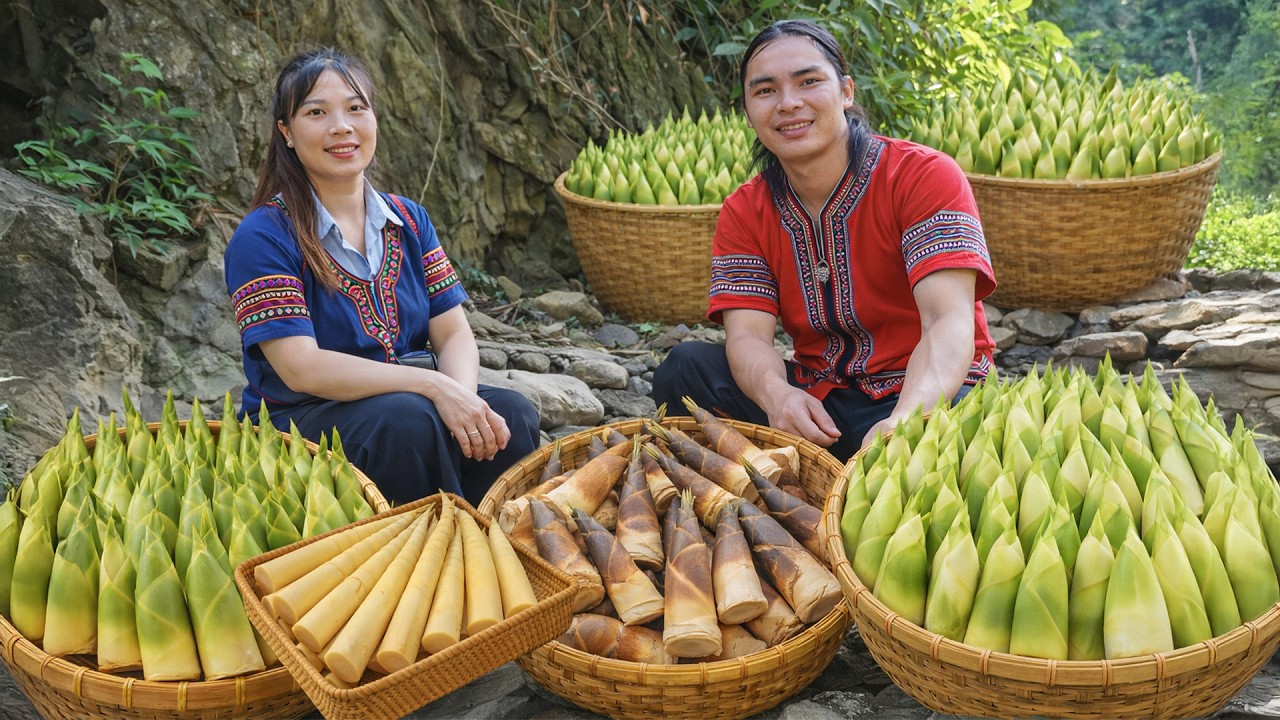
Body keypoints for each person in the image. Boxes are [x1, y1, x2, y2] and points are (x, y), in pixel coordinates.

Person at [651, 20, 996, 463]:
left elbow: (946, 322)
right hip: (820, 402)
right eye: (765, 91)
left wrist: (905, 422)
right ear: (748, 110)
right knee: (686, 370)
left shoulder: (922, 176)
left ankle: (829, 473)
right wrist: (779, 398)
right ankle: (792, 478)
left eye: (809, 82)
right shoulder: (745, 209)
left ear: (846, 91)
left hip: (930, 394)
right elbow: (749, 339)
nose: (789, 103)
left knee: (967, 431)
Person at [224, 48, 539, 506]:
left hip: (404, 403)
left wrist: (462, 402)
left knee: (510, 413)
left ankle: (502, 551)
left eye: (356, 108)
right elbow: (301, 368)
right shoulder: (264, 236)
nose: (341, 126)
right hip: (300, 419)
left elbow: (453, 335)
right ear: (287, 133)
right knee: (408, 421)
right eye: (317, 112)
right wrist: (433, 387)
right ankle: (434, 558)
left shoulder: (409, 220)